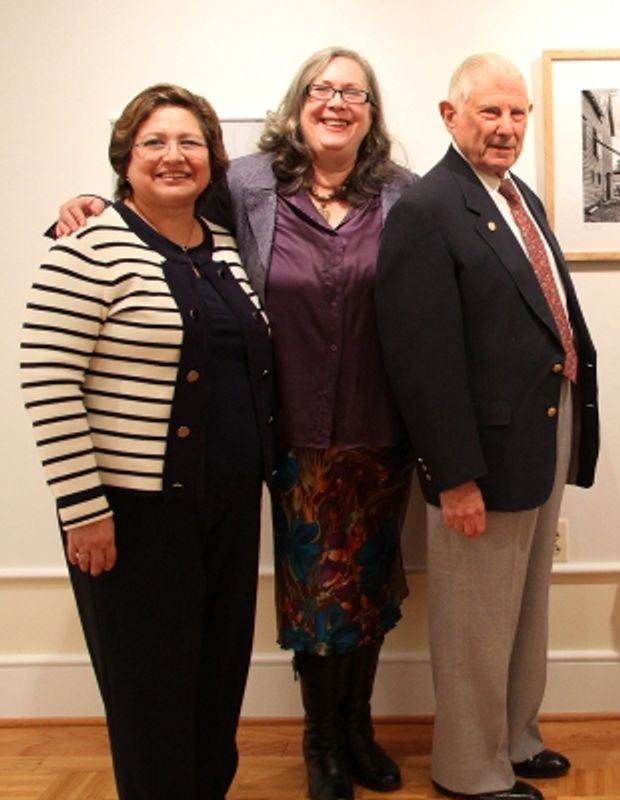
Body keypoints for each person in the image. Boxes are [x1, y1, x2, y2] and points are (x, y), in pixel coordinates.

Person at [55, 47, 418, 800]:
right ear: (299, 102)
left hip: (380, 424)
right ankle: (322, 740)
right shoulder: (249, 184)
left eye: (353, 92)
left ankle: (358, 728)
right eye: (322, 89)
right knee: (316, 591)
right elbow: (161, 202)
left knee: (371, 584)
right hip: (288, 428)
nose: (336, 102)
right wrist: (90, 200)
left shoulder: (400, 193)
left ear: (372, 112)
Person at [21, 84, 274, 800]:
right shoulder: (87, 246)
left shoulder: (224, 247)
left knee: (216, 685)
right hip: (133, 519)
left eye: (190, 142)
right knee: (150, 699)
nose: (173, 155)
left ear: (212, 159)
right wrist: (83, 511)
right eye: (154, 142)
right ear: (125, 159)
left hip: (227, 506)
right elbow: (47, 380)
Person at [374, 53, 600, 800]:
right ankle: (469, 770)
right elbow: (421, 362)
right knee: (475, 620)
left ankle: (515, 737)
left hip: (541, 428)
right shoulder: (427, 210)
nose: (506, 127)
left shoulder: (514, 193)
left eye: (517, 113)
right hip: (480, 453)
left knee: (524, 605)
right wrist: (454, 477)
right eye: (489, 113)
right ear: (450, 117)